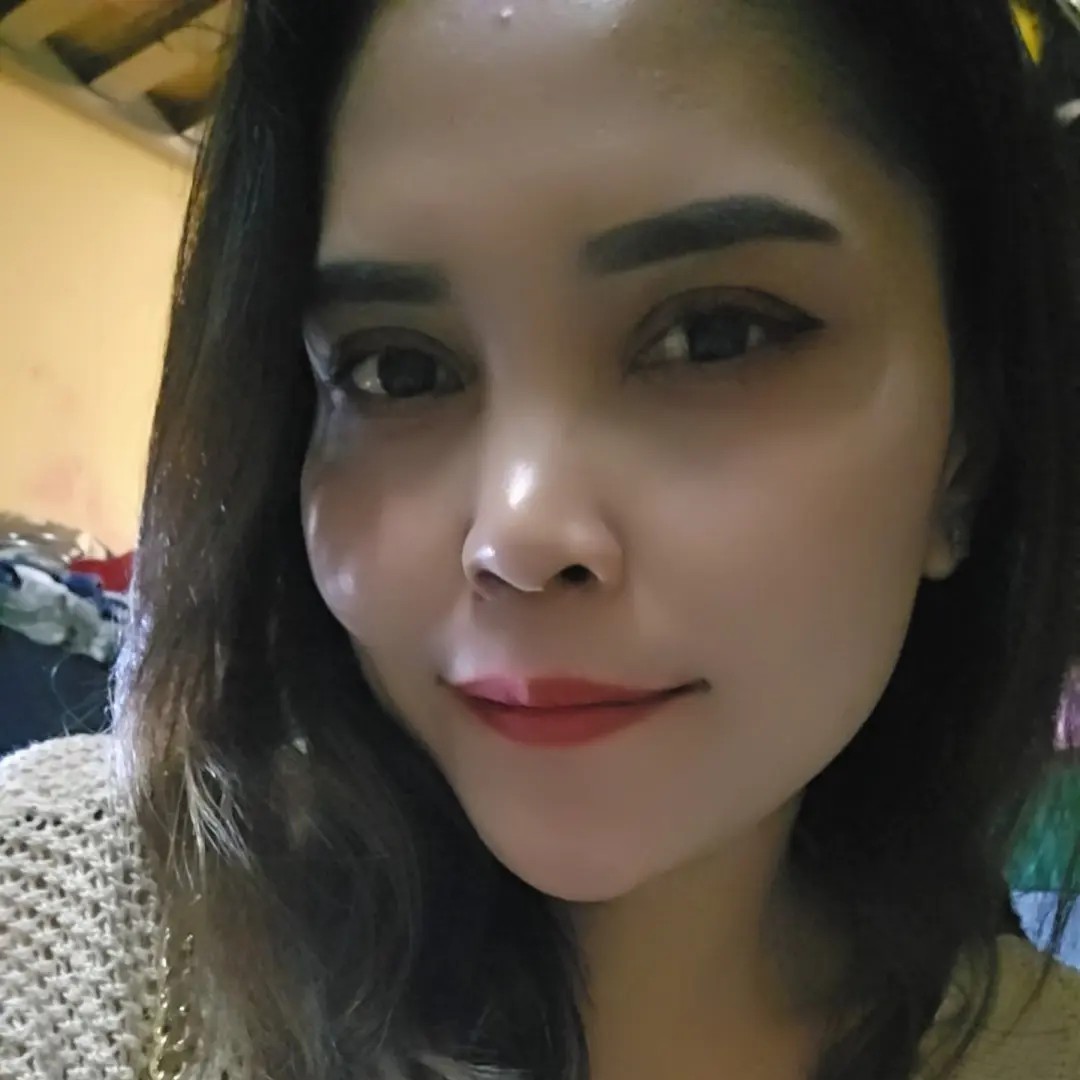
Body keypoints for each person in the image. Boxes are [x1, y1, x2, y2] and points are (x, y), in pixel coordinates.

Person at [1, 1, 1078, 1078]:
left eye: (715, 336)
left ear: (965, 451)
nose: (518, 534)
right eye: (395, 369)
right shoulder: (61, 927)